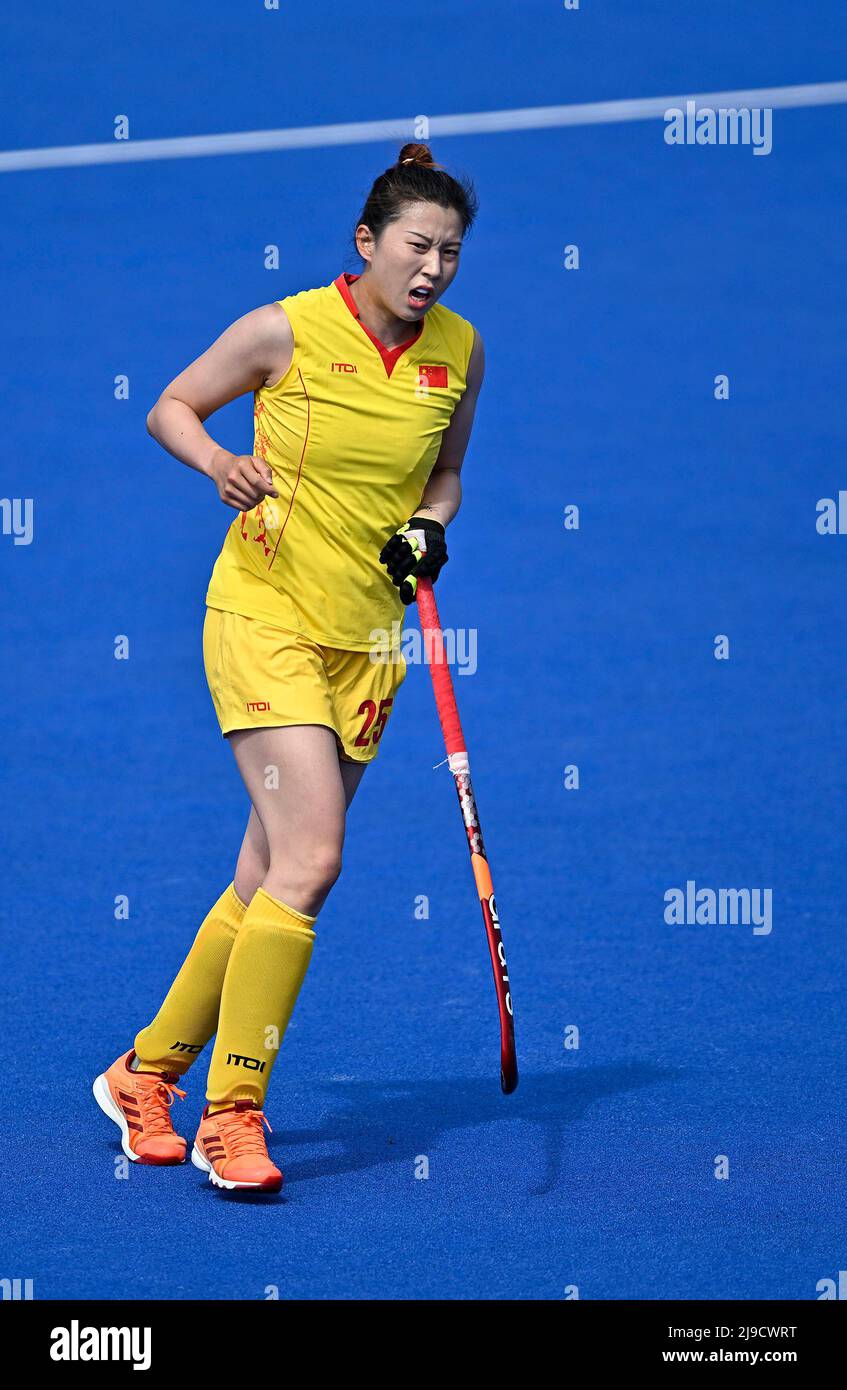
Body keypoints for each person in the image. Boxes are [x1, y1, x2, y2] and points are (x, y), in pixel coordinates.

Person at [92, 142, 485, 1194]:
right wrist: (221, 460)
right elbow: (170, 405)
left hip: (366, 642)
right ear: (366, 243)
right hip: (264, 617)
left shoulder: (459, 353)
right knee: (312, 860)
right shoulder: (286, 328)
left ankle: (143, 1071)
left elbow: (442, 477)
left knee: (264, 875)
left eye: (450, 251)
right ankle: (233, 1110)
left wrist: (427, 531)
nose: (433, 267)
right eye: (416, 245)